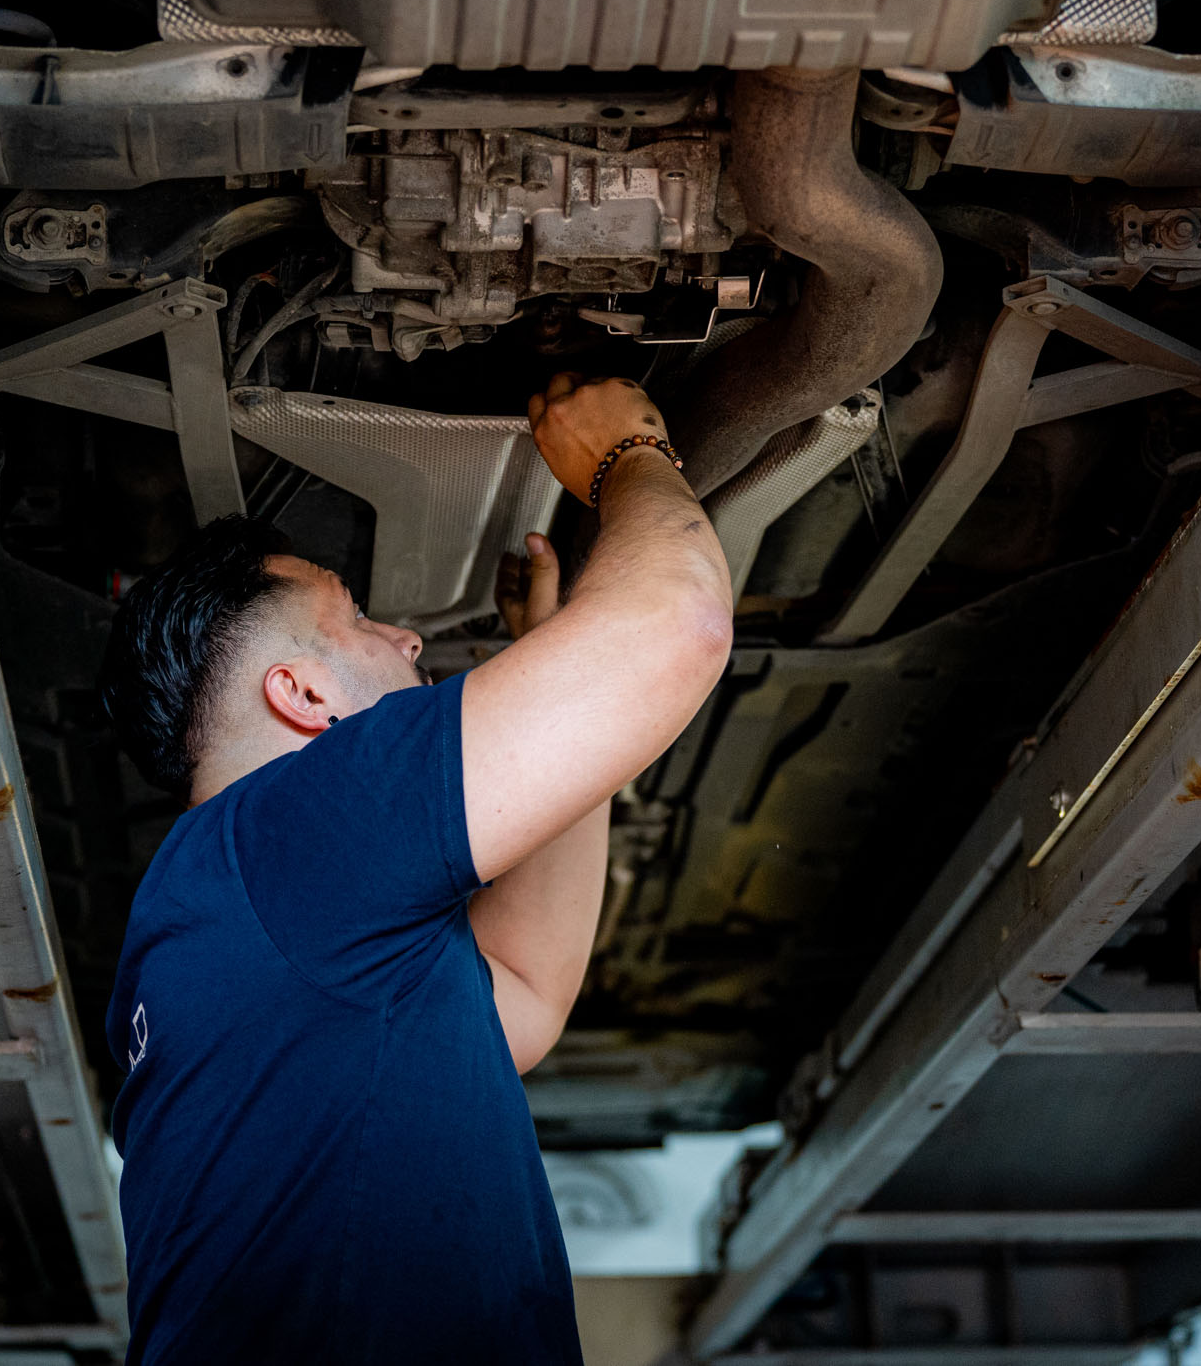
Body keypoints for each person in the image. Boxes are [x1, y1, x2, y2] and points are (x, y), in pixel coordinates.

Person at [97, 374, 733, 1363]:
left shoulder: (230, 909)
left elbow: (513, 998)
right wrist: (623, 455)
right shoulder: (278, 837)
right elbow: (676, 629)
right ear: (301, 693)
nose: (404, 637)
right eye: (356, 615)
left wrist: (565, 688)